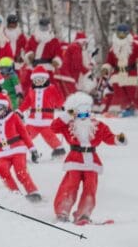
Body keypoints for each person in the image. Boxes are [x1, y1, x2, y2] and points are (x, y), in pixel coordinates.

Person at [50, 92, 127, 224]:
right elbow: (54, 127)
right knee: (70, 186)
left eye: (86, 113)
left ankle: (83, 214)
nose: (84, 117)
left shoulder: (97, 125)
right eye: (80, 113)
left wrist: (118, 139)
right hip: (74, 160)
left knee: (90, 187)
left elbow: (108, 137)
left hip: (91, 161)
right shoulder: (69, 125)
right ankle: (62, 210)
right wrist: (66, 115)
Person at [0, 92, 42, 202]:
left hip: (17, 149)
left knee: (20, 171)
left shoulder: (13, 117)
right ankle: (15, 193)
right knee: (2, 169)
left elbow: (24, 133)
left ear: (5, 107)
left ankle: (33, 192)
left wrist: (32, 149)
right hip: (2, 152)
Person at [101, 23, 138, 116]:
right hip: (117, 74)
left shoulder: (135, 45)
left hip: (131, 73)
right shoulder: (113, 48)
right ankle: (126, 108)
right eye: (119, 34)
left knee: (135, 93)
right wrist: (106, 68)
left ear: (127, 34)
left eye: (123, 34)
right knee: (120, 94)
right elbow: (109, 62)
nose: (121, 36)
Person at [19, 66, 66, 158]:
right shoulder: (32, 90)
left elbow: (58, 100)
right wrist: (20, 110)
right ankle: (19, 150)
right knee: (25, 135)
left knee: (50, 136)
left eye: (41, 79)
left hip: (46, 120)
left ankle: (59, 150)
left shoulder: (51, 89)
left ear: (45, 79)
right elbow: (27, 102)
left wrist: (65, 107)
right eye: (36, 79)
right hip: (33, 121)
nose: (39, 81)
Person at [55, 31, 92, 97]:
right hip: (67, 76)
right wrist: (86, 71)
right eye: (85, 43)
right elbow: (77, 64)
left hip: (62, 75)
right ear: (82, 42)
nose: (85, 45)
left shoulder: (73, 46)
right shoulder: (76, 47)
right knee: (71, 96)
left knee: (63, 95)